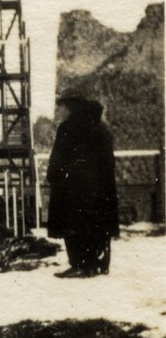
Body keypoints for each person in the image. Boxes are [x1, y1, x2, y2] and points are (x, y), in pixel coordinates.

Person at [47, 90, 119, 277]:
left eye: (64, 106)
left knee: (73, 226)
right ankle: (94, 263)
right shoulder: (100, 128)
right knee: (95, 224)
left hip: (73, 189)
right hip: (98, 188)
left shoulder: (68, 128)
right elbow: (108, 161)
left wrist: (54, 177)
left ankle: (79, 264)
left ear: (70, 106)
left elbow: (59, 158)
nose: (62, 110)